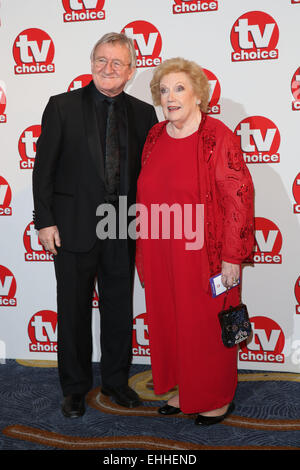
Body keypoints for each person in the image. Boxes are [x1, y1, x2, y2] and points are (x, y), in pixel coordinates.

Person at [32, 33, 158, 418]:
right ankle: (74, 389)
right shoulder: (62, 106)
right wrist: (45, 221)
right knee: (72, 310)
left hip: (121, 226)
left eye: (117, 63)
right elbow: (43, 170)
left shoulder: (143, 114)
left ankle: (117, 383)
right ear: (92, 62)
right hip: (71, 228)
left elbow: (148, 175)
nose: (108, 68)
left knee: (119, 310)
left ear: (131, 71)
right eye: (102, 60)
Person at [136, 57, 254, 425]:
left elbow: (239, 197)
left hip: (206, 254)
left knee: (204, 326)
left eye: (179, 88)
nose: (170, 96)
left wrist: (233, 257)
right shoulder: (155, 136)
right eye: (164, 89)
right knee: (169, 322)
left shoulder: (217, 136)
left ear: (198, 95)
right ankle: (181, 388)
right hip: (160, 250)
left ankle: (215, 397)